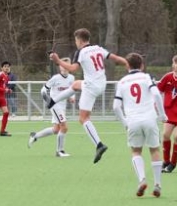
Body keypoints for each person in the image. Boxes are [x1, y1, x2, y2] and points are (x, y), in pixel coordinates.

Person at [47, 29, 130, 164]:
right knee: (75, 85)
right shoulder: (98, 48)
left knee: (83, 118)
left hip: (91, 87)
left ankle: (99, 145)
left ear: (79, 40)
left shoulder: (81, 52)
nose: (75, 42)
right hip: (101, 84)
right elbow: (115, 58)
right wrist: (128, 63)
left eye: (76, 40)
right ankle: (53, 101)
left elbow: (73, 69)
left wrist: (58, 61)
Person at [114, 53, 167, 197]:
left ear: (127, 66)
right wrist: (162, 115)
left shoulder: (122, 82)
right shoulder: (146, 77)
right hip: (149, 118)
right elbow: (156, 95)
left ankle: (142, 180)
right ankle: (157, 185)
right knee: (154, 150)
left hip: (133, 120)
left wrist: (125, 122)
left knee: (136, 151)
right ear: (142, 65)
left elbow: (116, 106)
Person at [28, 58, 75, 157]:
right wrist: (48, 100)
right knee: (64, 127)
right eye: (62, 65)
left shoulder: (71, 78)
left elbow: (72, 90)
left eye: (66, 65)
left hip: (62, 106)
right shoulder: (55, 78)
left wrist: (72, 97)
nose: (64, 67)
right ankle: (59, 151)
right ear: (60, 66)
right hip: (55, 105)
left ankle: (35, 136)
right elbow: (43, 90)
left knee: (56, 129)